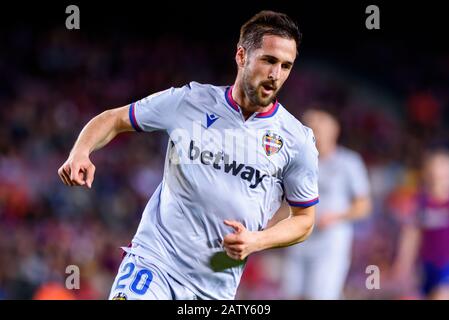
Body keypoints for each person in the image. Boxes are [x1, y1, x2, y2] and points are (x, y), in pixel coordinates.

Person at [58, 10, 319, 300]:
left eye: (286, 66)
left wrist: (257, 240)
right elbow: (114, 118)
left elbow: (304, 219)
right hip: (154, 262)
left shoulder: (297, 140)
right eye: (269, 60)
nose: (275, 74)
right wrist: (81, 151)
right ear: (242, 56)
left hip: (213, 287)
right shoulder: (189, 101)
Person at [279, 109, 372, 300]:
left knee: (322, 295)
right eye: (309, 124)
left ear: (334, 130)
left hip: (330, 242)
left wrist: (336, 216)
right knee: (293, 294)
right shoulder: (296, 161)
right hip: (298, 238)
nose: (314, 129)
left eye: (319, 124)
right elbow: (284, 203)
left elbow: (364, 206)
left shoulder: (348, 162)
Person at [392, 149, 449, 299]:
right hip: (425, 264)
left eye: (443, 168)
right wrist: (403, 263)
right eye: (434, 168)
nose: (438, 174)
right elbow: (410, 234)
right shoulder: (419, 202)